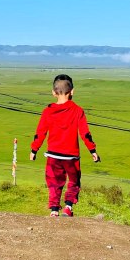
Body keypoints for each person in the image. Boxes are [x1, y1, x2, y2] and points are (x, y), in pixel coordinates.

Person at [29, 74, 100, 217]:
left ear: (53, 92)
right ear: (72, 91)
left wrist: (34, 150)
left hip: (53, 155)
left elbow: (40, 133)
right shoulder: (78, 110)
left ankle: (54, 210)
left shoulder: (48, 111)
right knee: (74, 181)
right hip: (71, 156)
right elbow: (85, 133)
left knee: (53, 182)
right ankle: (68, 207)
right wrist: (92, 150)